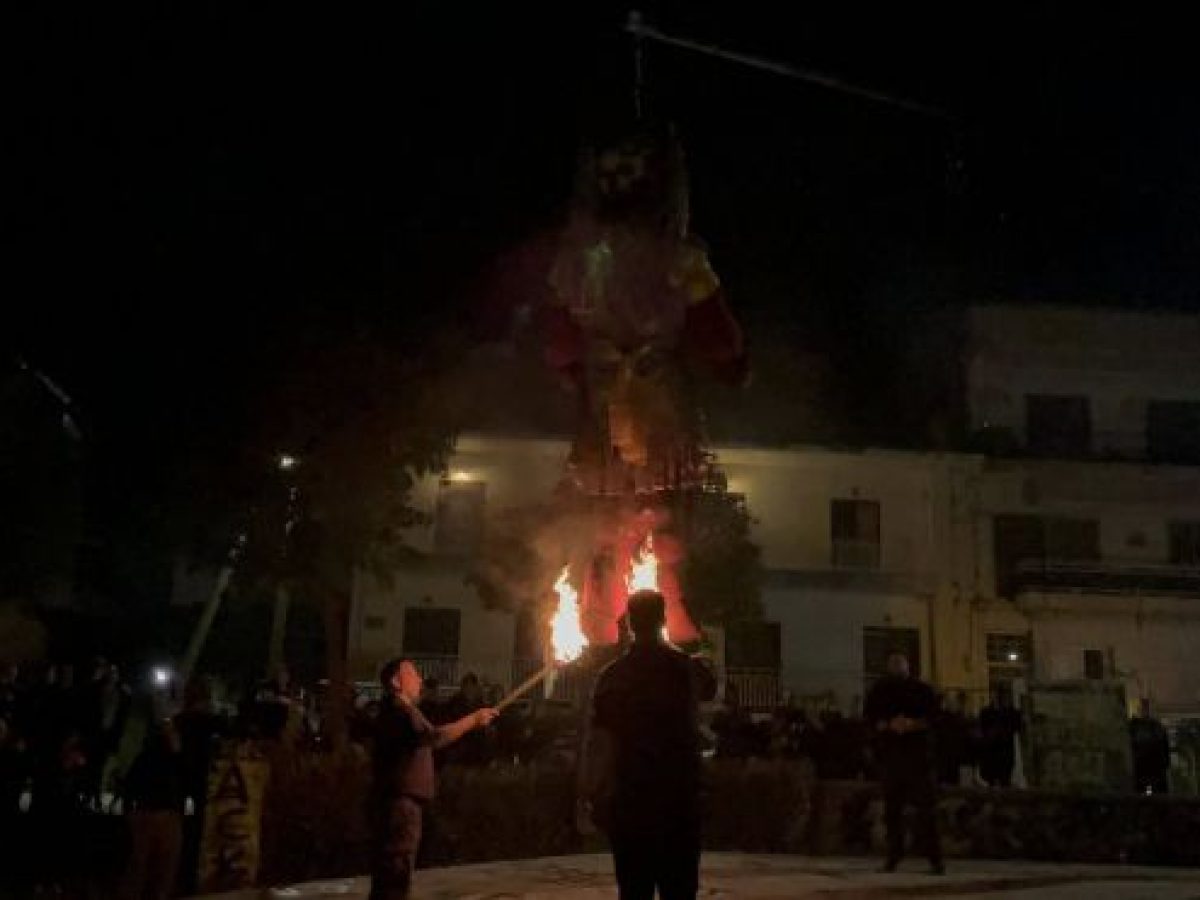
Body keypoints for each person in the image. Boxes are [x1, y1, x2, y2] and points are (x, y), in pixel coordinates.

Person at [582, 590, 714, 900]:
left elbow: (602, 742)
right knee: (680, 892)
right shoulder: (686, 668)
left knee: (633, 891)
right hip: (679, 802)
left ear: (628, 623)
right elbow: (710, 685)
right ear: (663, 620)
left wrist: (591, 793)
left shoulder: (612, 677)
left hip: (631, 804)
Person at [368, 658, 498, 900]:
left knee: (392, 875)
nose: (419, 679)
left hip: (399, 806)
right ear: (396, 681)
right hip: (400, 808)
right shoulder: (399, 711)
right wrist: (474, 720)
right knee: (395, 875)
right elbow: (436, 737)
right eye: (413, 673)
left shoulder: (401, 710)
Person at [864, 653, 943, 875]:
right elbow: (870, 718)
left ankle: (934, 859)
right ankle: (894, 857)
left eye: (900, 664)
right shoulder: (880, 691)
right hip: (893, 758)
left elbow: (935, 718)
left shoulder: (922, 690)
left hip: (918, 758)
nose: (897, 668)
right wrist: (888, 726)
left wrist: (913, 724)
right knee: (893, 812)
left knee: (926, 811)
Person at [120, 717, 186, 900]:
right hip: (162, 814)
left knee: (141, 866)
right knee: (163, 868)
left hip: (146, 813)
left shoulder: (145, 757)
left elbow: (129, 785)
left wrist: (129, 812)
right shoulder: (173, 760)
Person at [978, 687, 1022, 788]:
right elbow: (983, 729)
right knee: (993, 780)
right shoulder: (986, 712)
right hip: (992, 752)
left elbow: (1016, 726)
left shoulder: (1010, 713)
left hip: (1003, 752)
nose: (996, 698)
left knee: (1004, 780)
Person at [1130, 698, 1170, 795]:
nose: (1144, 710)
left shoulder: (1156, 727)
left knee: (1153, 793)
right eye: (1142, 708)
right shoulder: (1134, 727)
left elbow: (1164, 747)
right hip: (1144, 769)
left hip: (1151, 769)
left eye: (1145, 708)